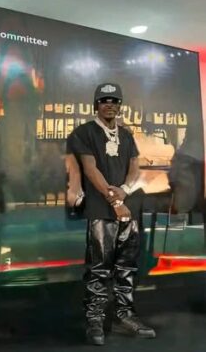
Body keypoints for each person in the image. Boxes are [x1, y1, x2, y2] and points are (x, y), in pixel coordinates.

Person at [66, 83, 155, 346]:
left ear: (119, 105)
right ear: (96, 104)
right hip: (101, 211)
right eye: (104, 100)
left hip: (128, 211)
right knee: (99, 268)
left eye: (114, 101)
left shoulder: (125, 135)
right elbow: (90, 169)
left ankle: (124, 316)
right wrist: (115, 201)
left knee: (127, 267)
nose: (109, 104)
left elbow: (134, 166)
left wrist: (125, 191)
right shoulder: (84, 132)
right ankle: (94, 320)